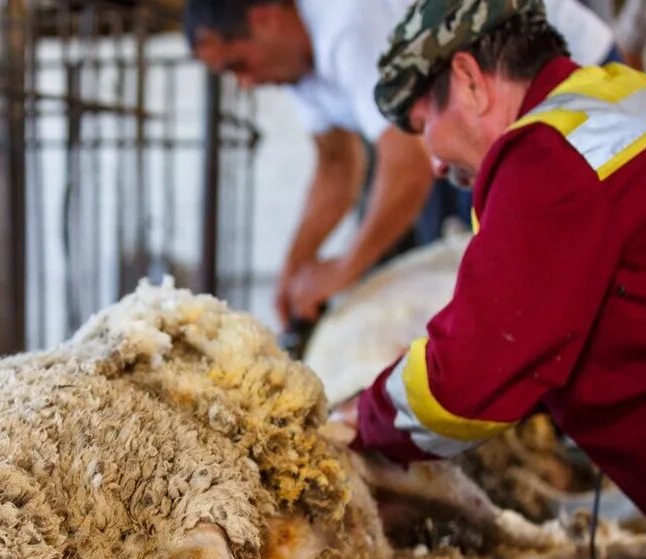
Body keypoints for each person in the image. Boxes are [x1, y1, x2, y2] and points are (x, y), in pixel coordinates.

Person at [338, 0, 646, 546]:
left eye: (425, 123)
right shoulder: (621, 99)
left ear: (469, 80)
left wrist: (363, 418)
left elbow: (465, 380)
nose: (436, 165)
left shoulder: (548, 156)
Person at [185, 0, 618, 328]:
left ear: (266, 18)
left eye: (237, 64)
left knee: (537, 265)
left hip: (559, 72)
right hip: (470, 118)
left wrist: (344, 269)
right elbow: (337, 166)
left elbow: (408, 165)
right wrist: (294, 268)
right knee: (469, 274)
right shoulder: (294, 64)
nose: (244, 82)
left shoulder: (345, 27)